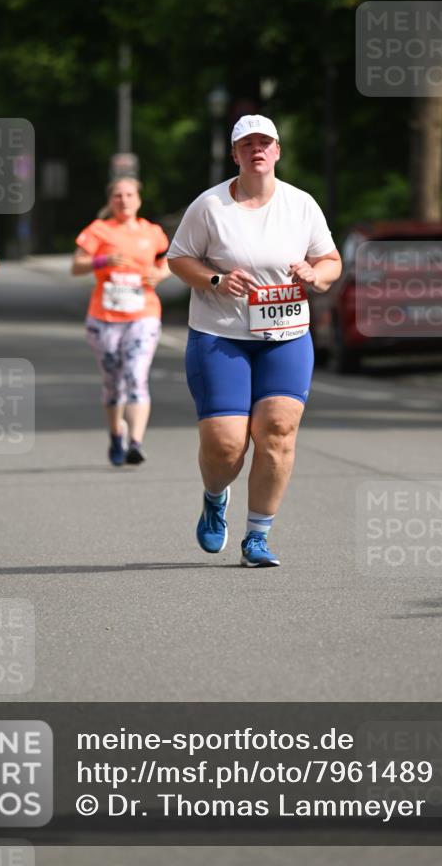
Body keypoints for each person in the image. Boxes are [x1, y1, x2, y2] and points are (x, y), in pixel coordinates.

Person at [167, 114, 342, 567]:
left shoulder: (301, 205)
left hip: (286, 336)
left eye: (265, 143)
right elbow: (179, 259)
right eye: (248, 145)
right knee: (227, 447)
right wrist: (215, 279)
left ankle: (257, 536)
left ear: (278, 151)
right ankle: (214, 495)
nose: (257, 150)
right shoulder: (209, 206)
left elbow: (330, 260)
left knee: (278, 433)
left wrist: (314, 275)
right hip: (220, 336)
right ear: (235, 155)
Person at [71, 177, 170, 465]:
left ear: (139, 200)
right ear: (110, 200)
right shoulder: (98, 230)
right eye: (118, 195)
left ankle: (136, 442)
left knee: (136, 376)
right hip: (105, 318)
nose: (124, 200)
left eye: (129, 195)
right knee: (114, 382)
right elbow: (76, 266)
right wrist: (104, 261)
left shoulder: (153, 233)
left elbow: (170, 260)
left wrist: (161, 273)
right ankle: (117, 434)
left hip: (144, 315)